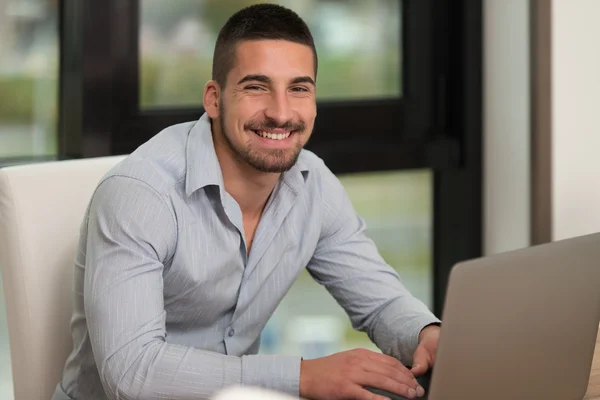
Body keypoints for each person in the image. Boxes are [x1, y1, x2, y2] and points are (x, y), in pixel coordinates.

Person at [52, 4, 441, 400]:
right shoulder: (141, 194)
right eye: (256, 87)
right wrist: (302, 377)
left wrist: (425, 335)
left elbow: (381, 303)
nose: (280, 113)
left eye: (299, 88)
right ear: (214, 99)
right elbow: (132, 372)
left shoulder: (312, 185)